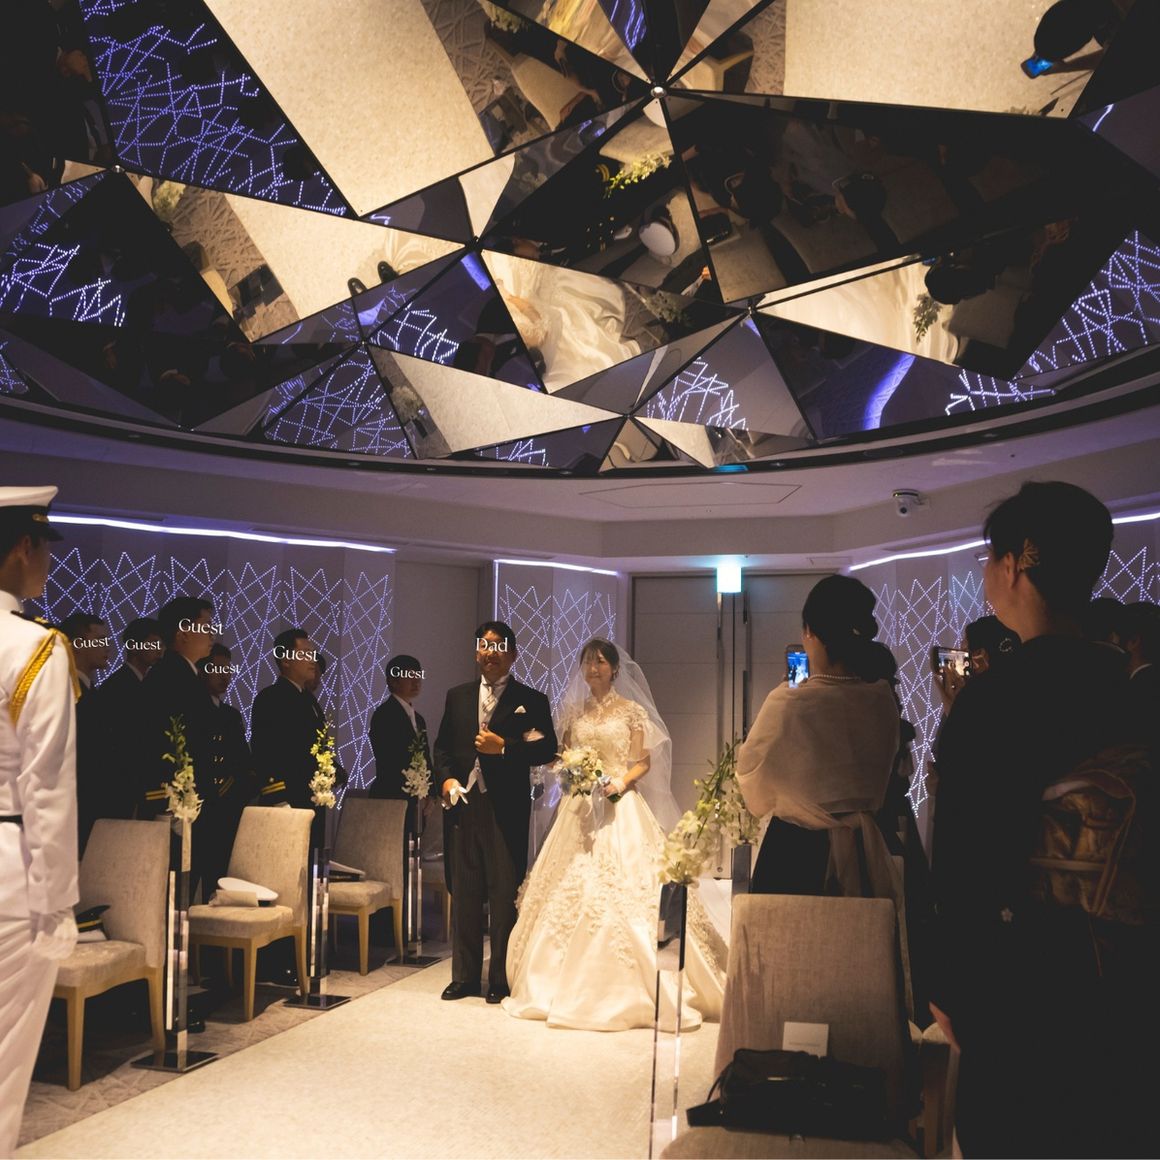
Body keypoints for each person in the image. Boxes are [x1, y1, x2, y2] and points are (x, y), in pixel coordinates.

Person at [929, 481, 1151, 1157]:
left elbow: (964, 862)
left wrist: (951, 986)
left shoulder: (993, 701)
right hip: (1127, 975)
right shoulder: (1131, 688)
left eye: (989, 558)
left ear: (1015, 565)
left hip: (1024, 980)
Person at [504, 639, 726, 1030]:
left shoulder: (631, 711)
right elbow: (563, 754)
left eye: (601, 663)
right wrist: (570, 769)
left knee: (631, 888)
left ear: (615, 669)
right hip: (578, 806)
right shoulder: (574, 711)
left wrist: (619, 782)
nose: (594, 669)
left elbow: (642, 762)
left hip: (619, 803)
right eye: (588, 663)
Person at [737, 575, 901, 897]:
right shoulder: (882, 698)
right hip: (864, 848)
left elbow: (752, 776)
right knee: (861, 929)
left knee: (792, 930)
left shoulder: (788, 702)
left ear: (810, 633)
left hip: (795, 849)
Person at [0, 486, 78, 1158]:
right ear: (21, 548)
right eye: (43, 548)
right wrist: (57, 905)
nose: (47, 563)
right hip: (10, 863)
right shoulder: (34, 647)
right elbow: (46, 784)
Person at [433, 622, 557, 1003]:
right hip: (463, 807)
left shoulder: (531, 699)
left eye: (499, 647)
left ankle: (500, 979)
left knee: (503, 896)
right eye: (485, 646)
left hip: (507, 808)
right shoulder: (457, 696)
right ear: (476, 653)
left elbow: (547, 748)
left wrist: (504, 748)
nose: (491, 653)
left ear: (513, 654)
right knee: (465, 893)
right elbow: (441, 749)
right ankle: (464, 977)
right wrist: (446, 781)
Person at [195, 643, 253, 895]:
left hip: (227, 806)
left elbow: (243, 761)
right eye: (217, 669)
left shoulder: (230, 715)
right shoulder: (195, 710)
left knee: (218, 882)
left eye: (227, 670)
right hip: (200, 805)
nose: (224, 676)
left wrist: (237, 793)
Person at [250, 628, 324, 809]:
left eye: (312, 654)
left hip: (310, 797)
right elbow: (265, 753)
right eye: (305, 654)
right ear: (285, 660)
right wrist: (278, 798)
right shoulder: (270, 698)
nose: (312, 660)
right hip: (286, 799)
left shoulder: (309, 700)